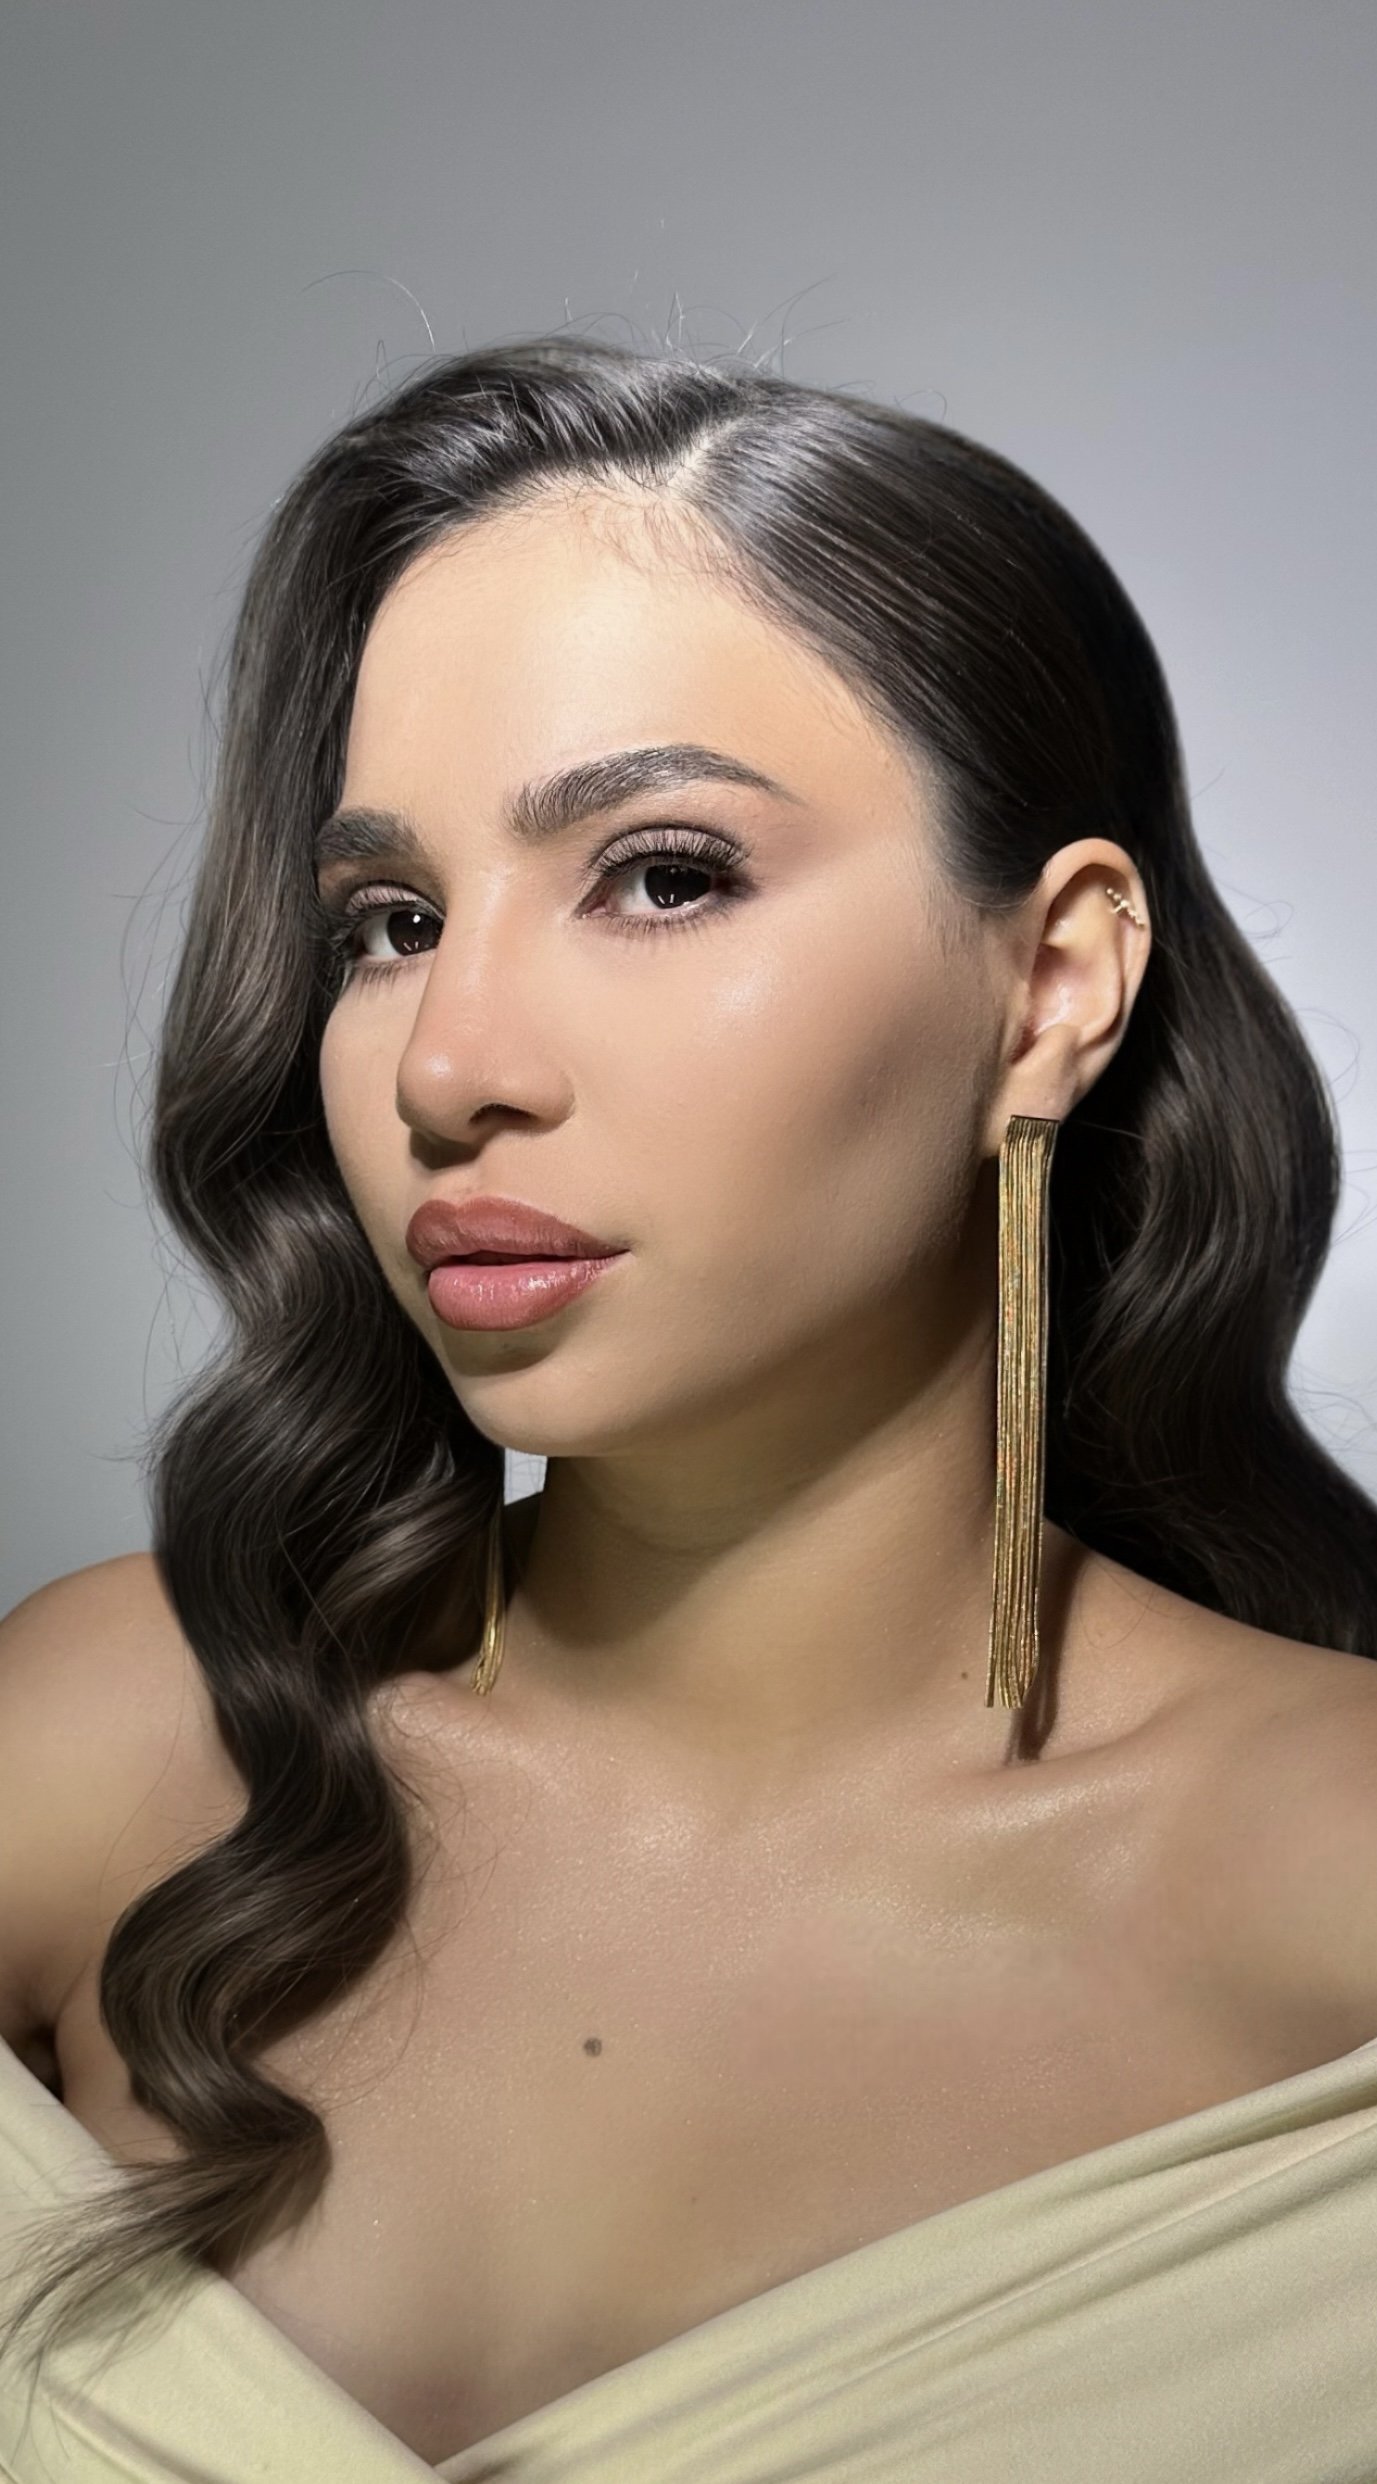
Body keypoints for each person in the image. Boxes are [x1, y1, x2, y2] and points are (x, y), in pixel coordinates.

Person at [2, 334, 1376, 2482]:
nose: (449, 1062)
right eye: (386, 921)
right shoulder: (107, 1747)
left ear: (1050, 986)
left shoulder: (1335, 1890)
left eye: (658, 874)